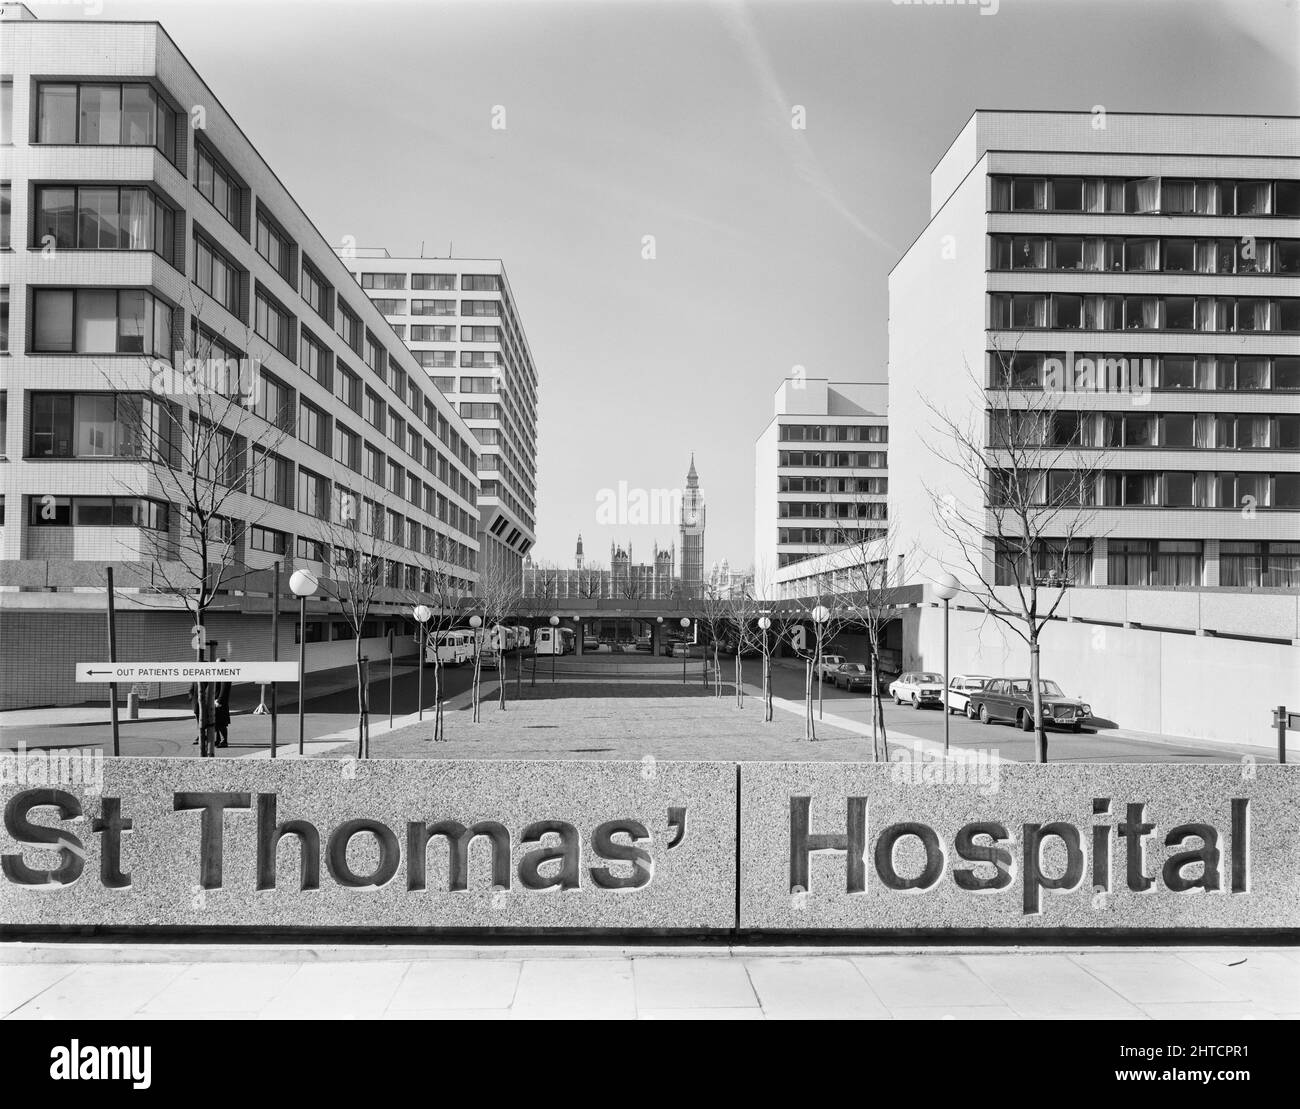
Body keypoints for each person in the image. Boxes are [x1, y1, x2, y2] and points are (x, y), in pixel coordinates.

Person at [213, 660, 232, 749]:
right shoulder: (218, 674)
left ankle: (224, 741)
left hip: (220, 703)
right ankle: (217, 740)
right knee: (216, 722)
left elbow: (224, 690)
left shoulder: (225, 675)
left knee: (221, 723)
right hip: (215, 701)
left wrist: (219, 701)